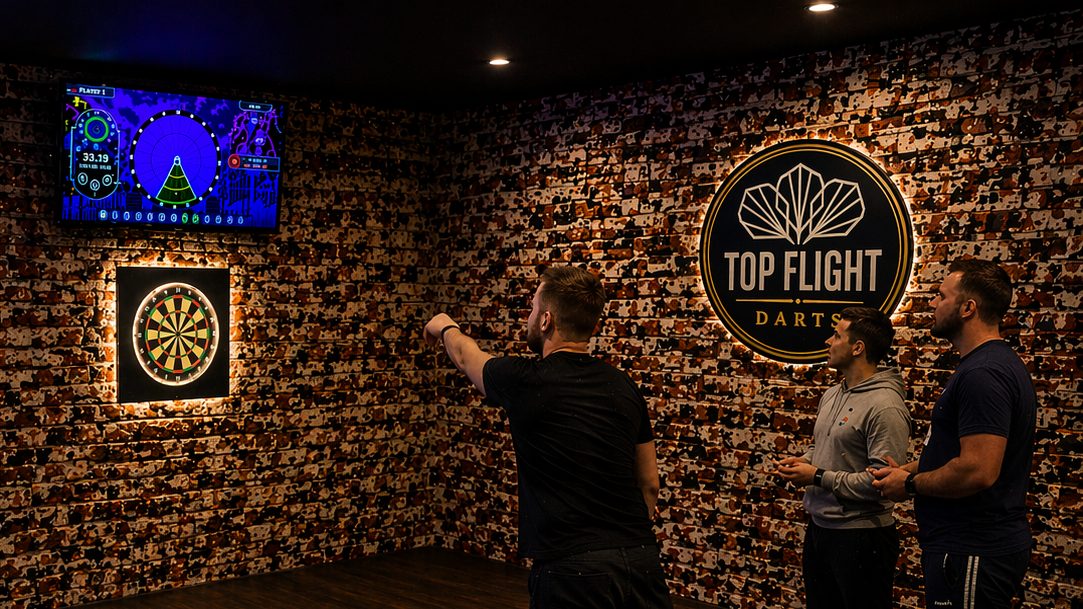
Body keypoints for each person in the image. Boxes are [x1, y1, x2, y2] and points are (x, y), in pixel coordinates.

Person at [423, 266, 672, 609]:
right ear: (594, 326)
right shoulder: (624, 387)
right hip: (641, 563)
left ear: (546, 321)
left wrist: (444, 324)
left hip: (572, 571)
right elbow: (650, 483)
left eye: (533, 308)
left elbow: (467, 356)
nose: (529, 316)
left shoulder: (526, 381)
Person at [872, 259, 1036, 609]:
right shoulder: (983, 365)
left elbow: (978, 469)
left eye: (941, 295)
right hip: (963, 548)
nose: (932, 303)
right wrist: (910, 469)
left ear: (967, 308)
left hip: (972, 549)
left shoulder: (984, 374)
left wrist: (910, 486)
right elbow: (959, 453)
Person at [773, 306, 912, 609]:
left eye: (836, 335)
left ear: (857, 348)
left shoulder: (885, 406)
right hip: (821, 530)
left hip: (863, 539)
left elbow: (882, 481)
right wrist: (804, 461)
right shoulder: (834, 393)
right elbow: (826, 450)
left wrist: (816, 475)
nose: (827, 341)